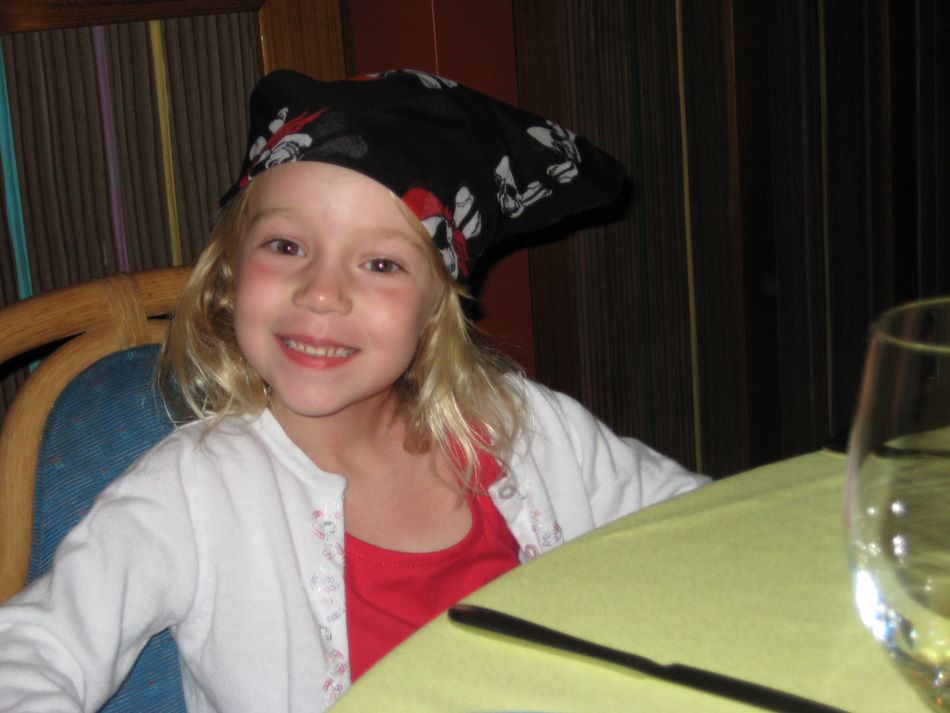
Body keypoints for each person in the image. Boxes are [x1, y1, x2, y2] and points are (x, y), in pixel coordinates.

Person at [0, 69, 708, 712]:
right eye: (286, 247)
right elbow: (27, 657)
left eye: (380, 263)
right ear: (230, 273)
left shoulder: (528, 431)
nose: (322, 292)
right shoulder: (195, 492)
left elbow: (705, 526)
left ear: (435, 308)